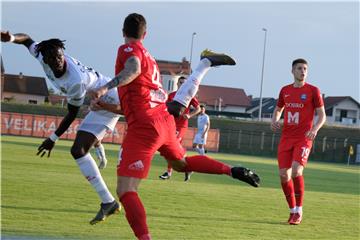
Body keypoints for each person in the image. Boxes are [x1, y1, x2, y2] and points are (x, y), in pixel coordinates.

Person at [90, 13, 260, 240]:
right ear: (145, 34)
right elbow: (137, 98)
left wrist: (104, 89)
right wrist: (107, 106)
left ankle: (145, 238)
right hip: (163, 122)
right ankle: (231, 170)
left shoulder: (129, 50)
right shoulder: (150, 58)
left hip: (145, 127)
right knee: (182, 164)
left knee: (126, 190)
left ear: (123, 33)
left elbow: (132, 70)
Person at [1, 31, 121, 225]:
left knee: (79, 149)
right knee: (78, 150)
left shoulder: (75, 81)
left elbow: (73, 113)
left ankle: (108, 201)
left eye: (60, 56)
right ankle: (108, 201)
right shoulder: (42, 53)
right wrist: (12, 39)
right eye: (53, 58)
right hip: (97, 101)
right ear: (45, 58)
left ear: (63, 53)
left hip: (109, 98)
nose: (58, 60)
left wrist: (52, 139)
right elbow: (27, 40)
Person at [271, 58, 326, 225]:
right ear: (292, 71)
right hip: (286, 138)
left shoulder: (313, 91)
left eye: (305, 69)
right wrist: (274, 120)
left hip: (303, 138)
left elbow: (322, 116)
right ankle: (292, 210)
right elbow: (278, 108)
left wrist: (315, 129)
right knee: (283, 175)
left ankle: (299, 211)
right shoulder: (285, 90)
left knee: (296, 171)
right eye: (299, 68)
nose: (303, 71)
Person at [159, 76, 201, 181]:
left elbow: (198, 108)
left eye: (184, 83)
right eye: (180, 82)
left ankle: (169, 173)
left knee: (172, 147)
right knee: (171, 147)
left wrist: (189, 115)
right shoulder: (172, 95)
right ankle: (188, 168)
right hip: (171, 124)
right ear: (177, 84)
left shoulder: (189, 96)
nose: (182, 84)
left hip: (181, 125)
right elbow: (165, 108)